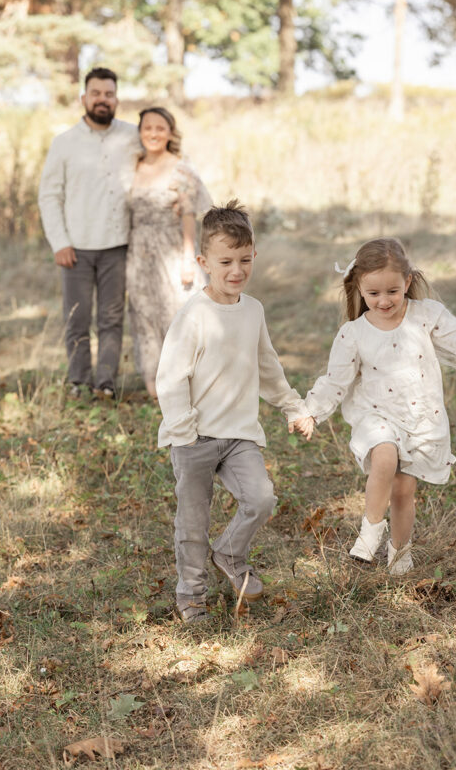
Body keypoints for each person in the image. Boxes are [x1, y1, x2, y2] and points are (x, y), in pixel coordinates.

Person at [304, 238, 456, 576]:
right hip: (376, 414)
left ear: (407, 282)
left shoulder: (425, 316)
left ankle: (400, 555)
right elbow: (335, 381)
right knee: (384, 455)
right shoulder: (353, 334)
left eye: (393, 292)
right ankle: (370, 532)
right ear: (360, 289)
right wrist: (311, 411)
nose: (384, 301)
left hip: (419, 417)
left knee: (404, 490)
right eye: (374, 294)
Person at [155, 200, 314, 623]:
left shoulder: (254, 310)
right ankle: (191, 594)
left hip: (239, 434)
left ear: (254, 256)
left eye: (245, 260)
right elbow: (170, 378)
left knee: (261, 498)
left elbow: (268, 366)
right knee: (192, 522)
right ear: (204, 261)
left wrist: (292, 406)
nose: (236, 270)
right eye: (225, 261)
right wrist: (184, 431)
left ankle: (230, 551)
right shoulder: (194, 315)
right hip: (194, 437)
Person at [38, 67, 140, 399]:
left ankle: (106, 383)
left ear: (116, 99)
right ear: (84, 98)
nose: (102, 100)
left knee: (111, 320)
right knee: (77, 320)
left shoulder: (132, 135)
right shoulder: (64, 143)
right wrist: (60, 242)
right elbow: (50, 196)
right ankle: (79, 382)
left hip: (118, 245)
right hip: (76, 248)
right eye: (95, 93)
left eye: (108, 94)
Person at [126, 106, 211, 398]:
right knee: (145, 314)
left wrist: (189, 258)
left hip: (172, 248)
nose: (153, 133)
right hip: (138, 253)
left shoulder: (180, 167)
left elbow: (189, 215)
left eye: (160, 128)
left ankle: (189, 380)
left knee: (179, 313)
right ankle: (154, 384)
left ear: (170, 132)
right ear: (139, 132)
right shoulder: (133, 166)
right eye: (147, 127)